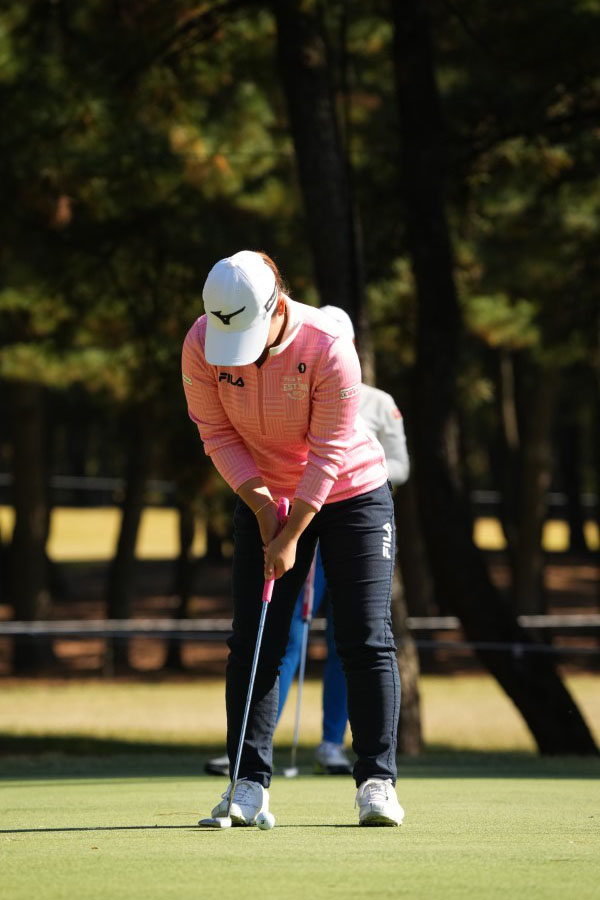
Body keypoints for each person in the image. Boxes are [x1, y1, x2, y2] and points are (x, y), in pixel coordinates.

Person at [182, 250, 404, 827]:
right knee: (256, 639)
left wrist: (290, 534)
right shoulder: (202, 342)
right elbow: (216, 432)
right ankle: (247, 784)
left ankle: (377, 782)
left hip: (351, 493)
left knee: (364, 636)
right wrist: (262, 509)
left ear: (276, 305)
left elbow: (328, 454)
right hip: (264, 493)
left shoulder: (328, 346)